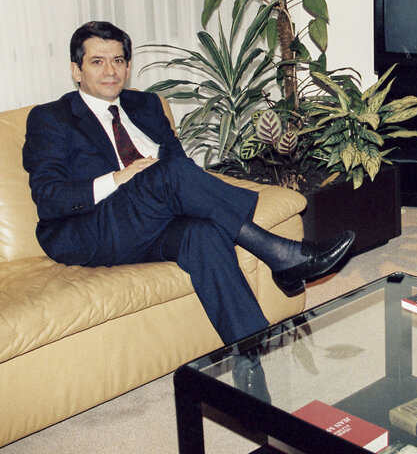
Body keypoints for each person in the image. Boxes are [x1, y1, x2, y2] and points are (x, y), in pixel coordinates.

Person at [22, 21, 355, 394]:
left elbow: (181, 174)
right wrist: (122, 178)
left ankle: (248, 360)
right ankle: (282, 255)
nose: (111, 70)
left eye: (118, 60)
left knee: (204, 233)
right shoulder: (50, 118)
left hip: (152, 221)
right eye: (97, 62)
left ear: (128, 66)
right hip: (91, 230)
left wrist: (162, 184)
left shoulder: (146, 105)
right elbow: (49, 198)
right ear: (75, 70)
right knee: (167, 175)